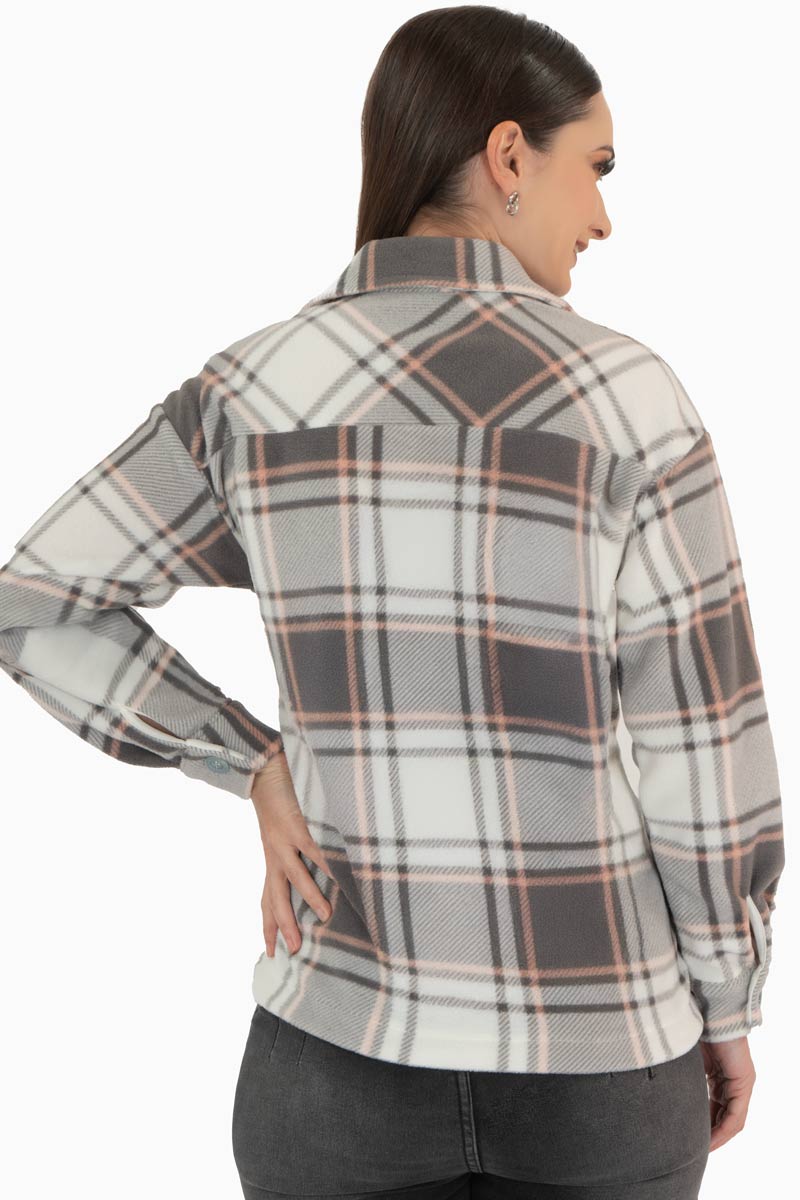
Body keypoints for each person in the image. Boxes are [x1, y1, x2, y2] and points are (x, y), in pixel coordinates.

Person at [0, 6, 785, 1199]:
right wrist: (726, 1002)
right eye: (595, 168)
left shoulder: (250, 393)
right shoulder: (628, 403)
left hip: (334, 1058)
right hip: (600, 1058)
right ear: (509, 154)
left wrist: (252, 764)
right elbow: (702, 751)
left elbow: (34, 603)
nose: (602, 216)